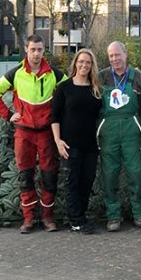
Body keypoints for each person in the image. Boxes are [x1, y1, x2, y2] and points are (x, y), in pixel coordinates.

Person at [0, 34, 66, 234]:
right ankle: (29, 218)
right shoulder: (15, 74)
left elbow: (70, 93)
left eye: (40, 49)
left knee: (49, 176)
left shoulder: (55, 74)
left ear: (44, 50)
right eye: (33, 49)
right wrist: (8, 115)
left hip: (47, 133)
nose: (36, 54)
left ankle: (47, 217)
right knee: (25, 176)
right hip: (24, 133)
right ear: (26, 49)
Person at [98, 41, 141, 232]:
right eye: (111, 56)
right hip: (109, 132)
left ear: (125, 54)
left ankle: (140, 215)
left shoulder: (136, 76)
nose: (114, 59)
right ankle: (113, 217)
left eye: (117, 54)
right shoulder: (102, 76)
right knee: (110, 175)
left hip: (132, 131)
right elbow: (94, 107)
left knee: (136, 174)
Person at [51, 48, 103, 234]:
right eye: (81, 61)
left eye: (88, 62)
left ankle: (81, 216)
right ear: (75, 63)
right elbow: (55, 117)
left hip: (90, 145)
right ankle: (76, 221)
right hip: (69, 144)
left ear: (92, 65)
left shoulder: (95, 89)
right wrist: (58, 141)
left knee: (87, 181)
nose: (84, 65)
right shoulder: (64, 88)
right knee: (72, 182)